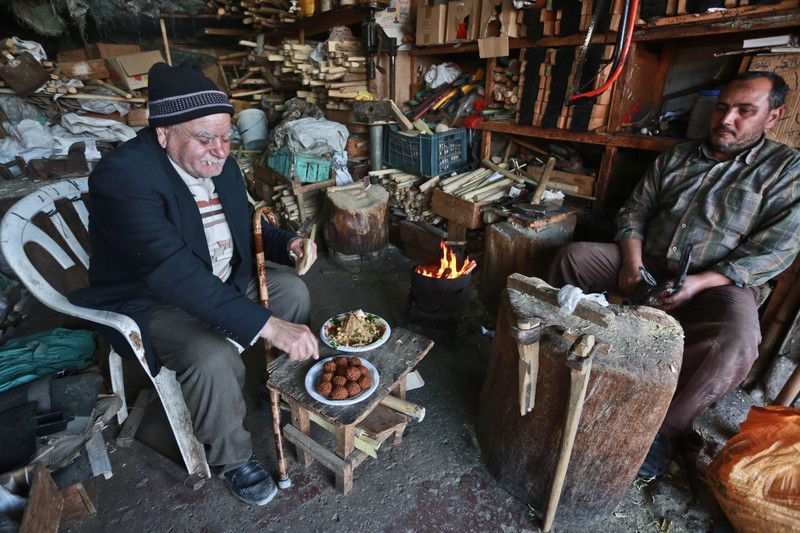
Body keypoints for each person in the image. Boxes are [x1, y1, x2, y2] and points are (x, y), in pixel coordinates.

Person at [70, 58, 320, 505]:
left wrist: (288, 245)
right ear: (164, 133)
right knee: (210, 353)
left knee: (292, 291)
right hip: (153, 299)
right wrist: (269, 326)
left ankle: (270, 386)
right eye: (205, 138)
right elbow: (171, 272)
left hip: (220, 280)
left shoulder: (219, 162)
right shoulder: (123, 177)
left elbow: (245, 221)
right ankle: (232, 456)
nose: (220, 151)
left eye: (226, 137)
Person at [548, 71, 800, 478]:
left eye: (744, 111)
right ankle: (563, 361)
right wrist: (632, 263)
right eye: (722, 107)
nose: (727, 119)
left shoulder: (787, 170)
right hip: (649, 261)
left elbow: (775, 251)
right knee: (573, 258)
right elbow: (635, 211)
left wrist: (699, 282)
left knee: (735, 341)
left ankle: (662, 430)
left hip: (719, 281)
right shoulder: (679, 156)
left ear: (773, 116)